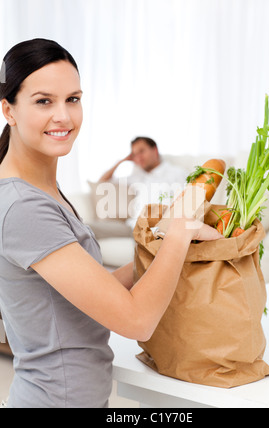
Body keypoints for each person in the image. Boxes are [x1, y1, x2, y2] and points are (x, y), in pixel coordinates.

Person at [0, 38, 223, 408]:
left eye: (73, 98)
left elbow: (82, 294)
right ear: (8, 109)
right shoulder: (22, 206)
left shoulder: (41, 190)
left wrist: (158, 253)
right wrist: (180, 231)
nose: (64, 116)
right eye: (44, 101)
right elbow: (137, 322)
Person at [98, 137, 189, 228]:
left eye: (141, 151)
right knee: (87, 228)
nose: (138, 157)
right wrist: (122, 161)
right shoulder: (137, 176)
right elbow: (102, 182)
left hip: (157, 228)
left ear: (155, 150)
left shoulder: (176, 173)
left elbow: (187, 203)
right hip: (132, 226)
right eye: (134, 155)